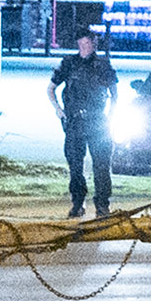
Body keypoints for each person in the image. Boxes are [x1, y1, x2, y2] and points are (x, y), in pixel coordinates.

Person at [50, 32, 121, 219]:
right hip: (75, 122)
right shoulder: (69, 64)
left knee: (101, 166)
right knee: (75, 166)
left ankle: (102, 205)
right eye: (82, 43)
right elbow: (50, 88)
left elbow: (115, 94)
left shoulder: (103, 65)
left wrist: (112, 114)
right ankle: (78, 202)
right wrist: (58, 109)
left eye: (89, 43)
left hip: (98, 121)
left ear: (94, 45)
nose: (86, 47)